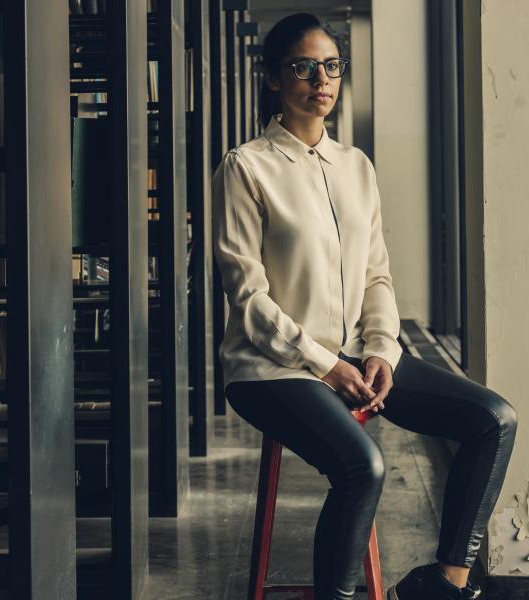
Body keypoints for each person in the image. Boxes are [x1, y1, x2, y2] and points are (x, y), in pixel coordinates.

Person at [210, 12, 518, 600]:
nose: (320, 79)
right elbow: (247, 297)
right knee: (363, 467)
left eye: (331, 66)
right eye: (303, 67)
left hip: (358, 357)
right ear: (275, 77)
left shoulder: (356, 166)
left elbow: (377, 274)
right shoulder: (246, 167)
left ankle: (445, 582)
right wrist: (325, 364)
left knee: (493, 419)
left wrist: (381, 349)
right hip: (273, 370)